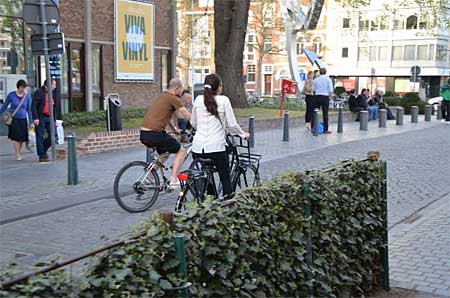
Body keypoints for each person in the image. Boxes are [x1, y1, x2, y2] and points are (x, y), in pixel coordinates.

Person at [191, 74, 249, 199]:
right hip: (216, 148)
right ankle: (227, 204)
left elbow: (193, 123)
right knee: (225, 178)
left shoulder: (198, 100)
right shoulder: (224, 100)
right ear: (218, 88)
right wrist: (243, 134)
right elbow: (232, 124)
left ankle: (210, 199)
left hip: (197, 149)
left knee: (205, 174)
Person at [140, 78, 191, 188]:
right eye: (181, 89)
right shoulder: (173, 98)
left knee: (165, 153)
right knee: (181, 151)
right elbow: (186, 114)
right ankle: (174, 179)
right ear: (177, 88)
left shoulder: (162, 96)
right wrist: (201, 124)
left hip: (144, 133)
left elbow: (166, 117)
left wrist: (174, 130)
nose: (182, 91)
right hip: (155, 134)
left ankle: (150, 176)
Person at [0, 80, 33, 160]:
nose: (23, 89)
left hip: (23, 119)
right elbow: (5, 106)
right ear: (18, 87)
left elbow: (29, 110)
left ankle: (18, 152)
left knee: (21, 138)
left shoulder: (27, 97)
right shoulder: (11, 95)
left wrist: (31, 122)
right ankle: (17, 154)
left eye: (24, 88)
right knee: (16, 137)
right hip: (14, 119)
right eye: (22, 87)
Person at [32, 79, 60, 162]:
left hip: (50, 117)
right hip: (41, 116)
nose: (55, 87)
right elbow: (33, 106)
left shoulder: (53, 93)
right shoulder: (39, 92)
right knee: (40, 135)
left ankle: (43, 150)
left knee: (54, 135)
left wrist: (55, 120)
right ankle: (41, 155)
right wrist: (35, 118)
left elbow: (55, 107)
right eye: (53, 85)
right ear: (47, 85)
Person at [312, 68, 333, 133]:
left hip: (317, 96)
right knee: (325, 114)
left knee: (315, 112)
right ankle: (326, 129)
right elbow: (331, 90)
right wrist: (330, 97)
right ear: (325, 72)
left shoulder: (316, 79)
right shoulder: (328, 79)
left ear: (319, 72)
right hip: (325, 96)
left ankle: (313, 127)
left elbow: (313, 89)